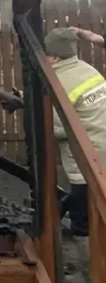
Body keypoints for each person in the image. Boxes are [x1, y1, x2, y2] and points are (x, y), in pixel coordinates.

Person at [45, 26, 106, 236]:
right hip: (102, 146)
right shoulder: (87, 70)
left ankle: (85, 256)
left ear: (53, 56)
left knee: (84, 216)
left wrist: (31, 116)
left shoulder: (59, 82)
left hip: (85, 155)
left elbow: (54, 127)